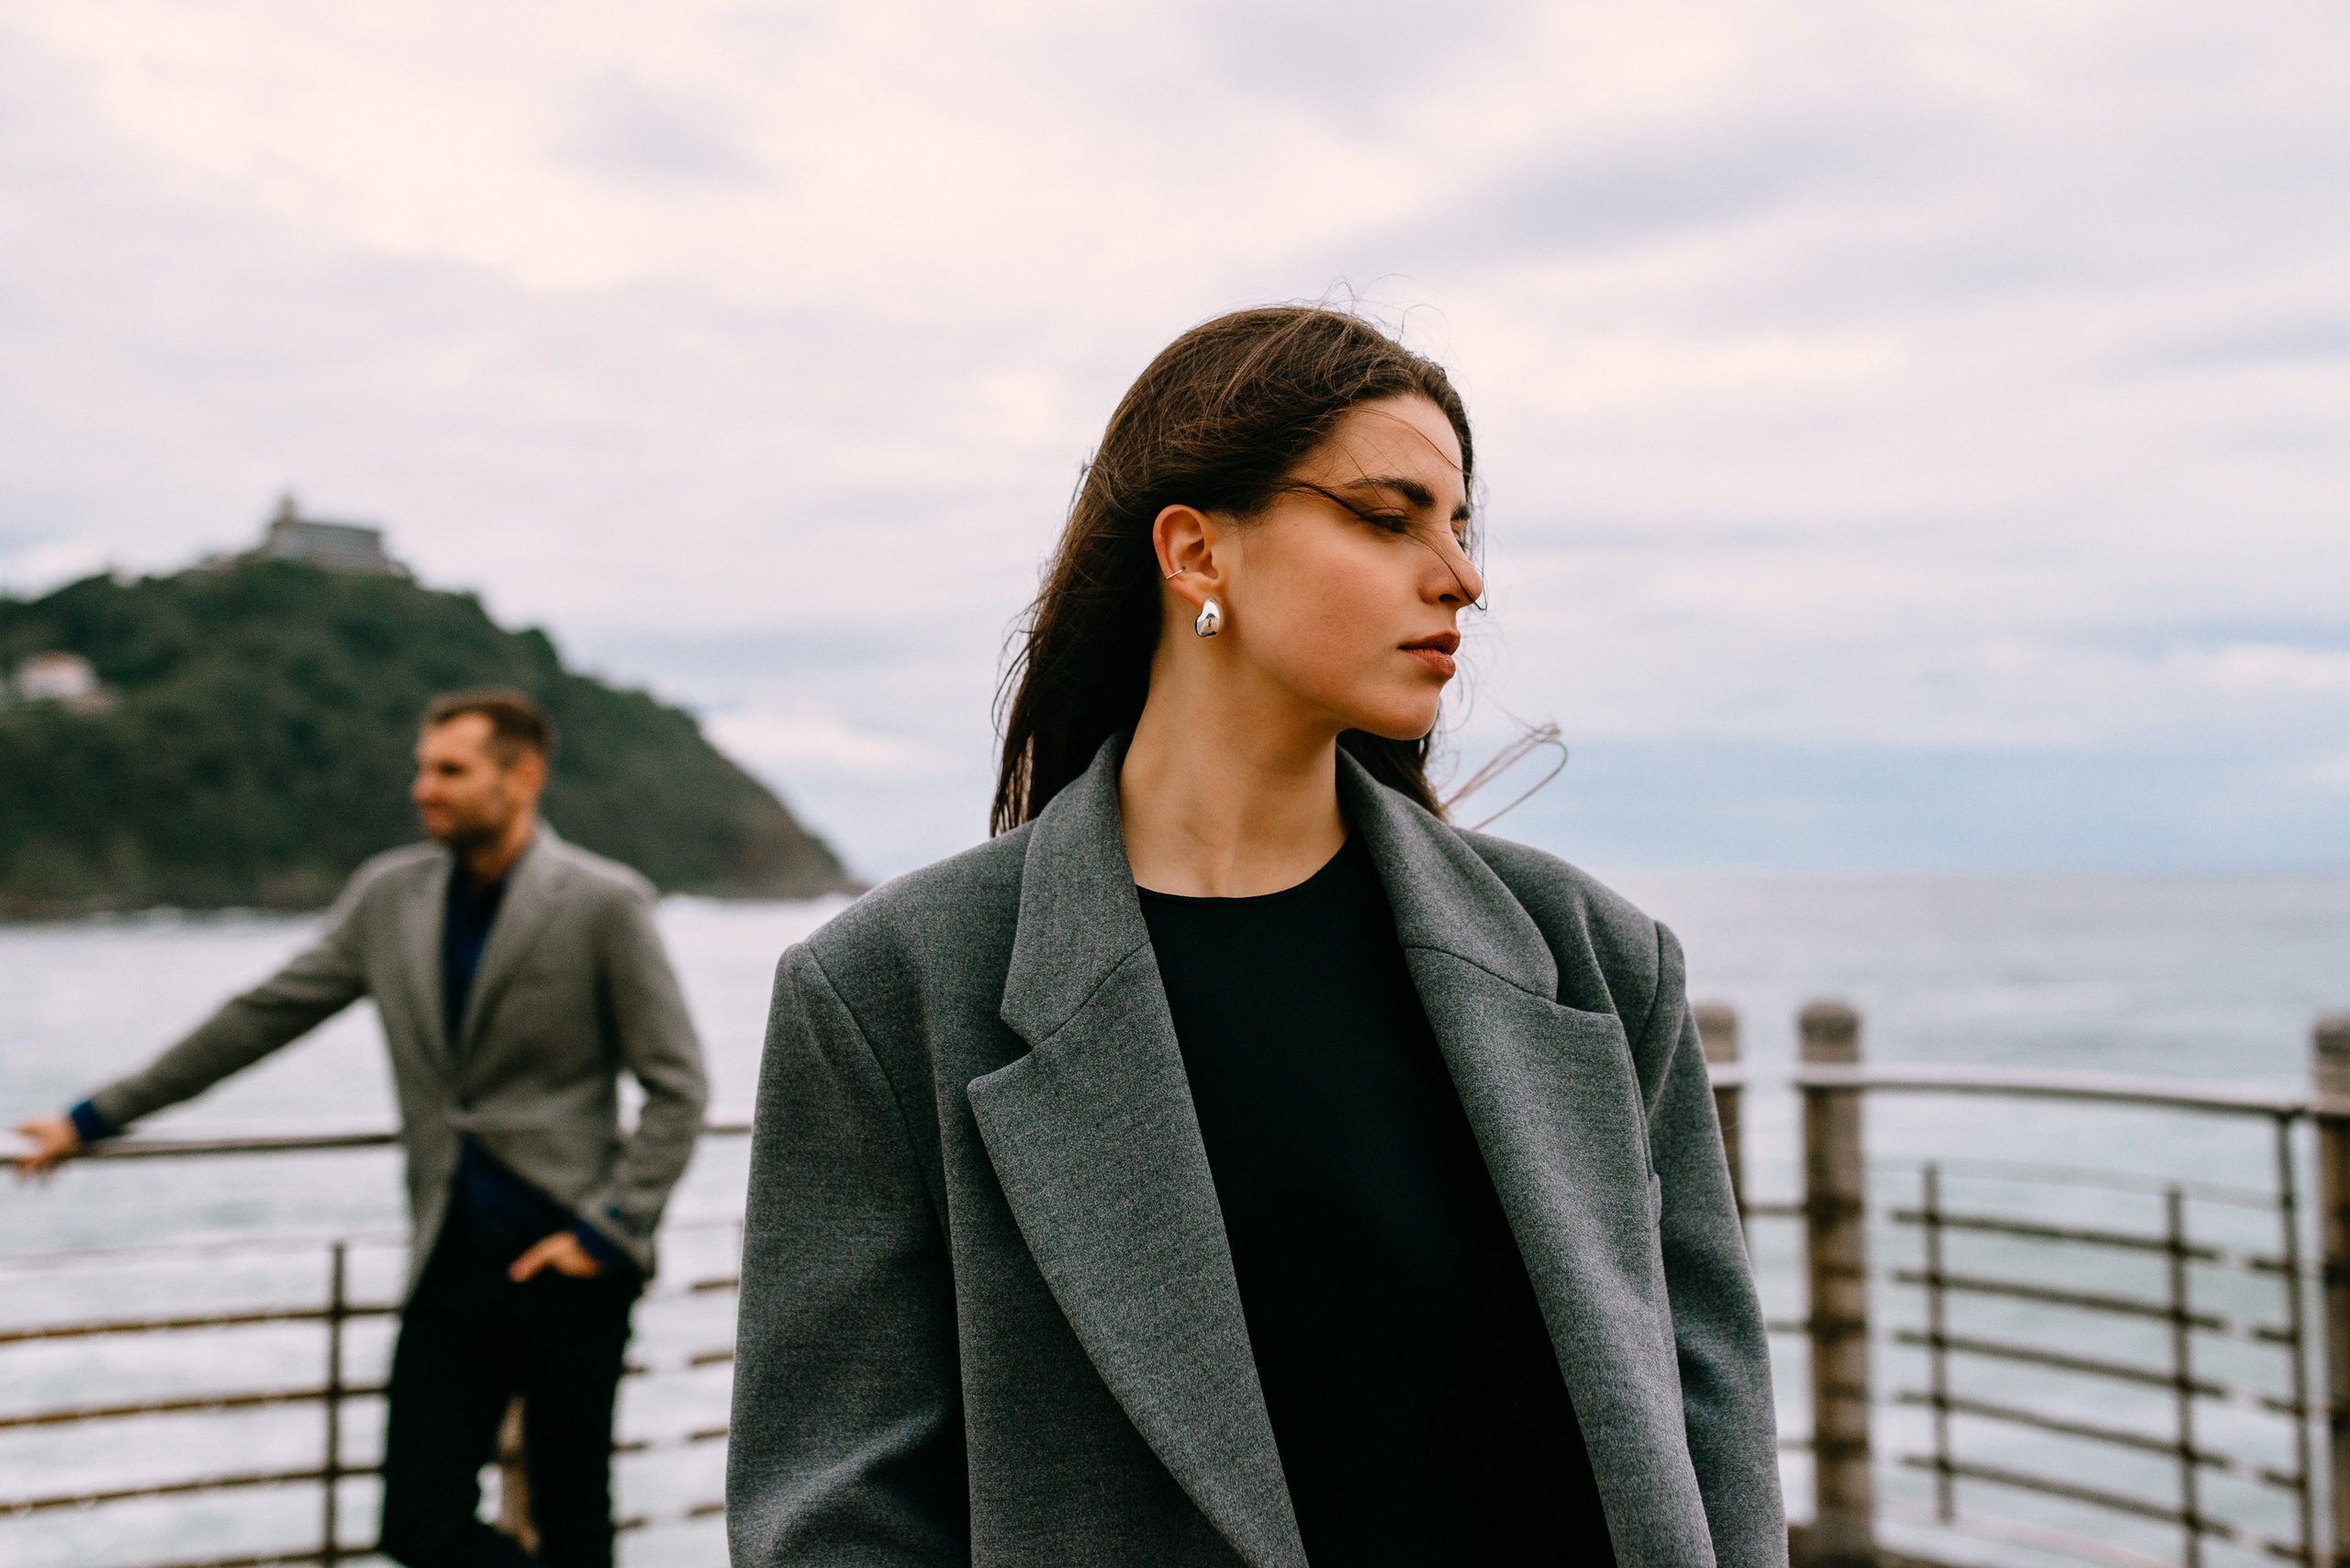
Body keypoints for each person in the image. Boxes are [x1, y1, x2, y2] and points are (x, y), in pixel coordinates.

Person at [725, 307, 1784, 1566]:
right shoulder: (892, 994)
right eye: (1386, 519)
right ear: (1195, 555)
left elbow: (1712, 1427)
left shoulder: (1598, 964)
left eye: (1458, 526)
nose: (1459, 575)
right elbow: (832, 1516)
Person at [14, 687, 710, 1568]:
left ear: (522, 776)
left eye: (449, 770)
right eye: (422, 768)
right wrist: (93, 1117)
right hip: (447, 1249)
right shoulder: (389, 895)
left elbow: (678, 1087)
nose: (423, 787)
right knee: (416, 1526)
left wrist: (609, 1232)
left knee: (574, 1519)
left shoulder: (605, 901)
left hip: (569, 1255)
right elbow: (259, 1017)